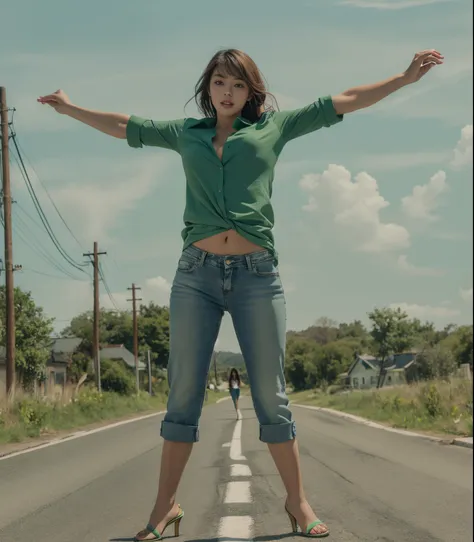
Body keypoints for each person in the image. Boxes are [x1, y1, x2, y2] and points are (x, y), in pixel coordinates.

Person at [38, 47, 443, 539]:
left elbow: (346, 100)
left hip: (257, 276)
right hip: (195, 276)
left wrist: (402, 79)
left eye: (237, 84)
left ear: (252, 91)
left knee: (272, 396)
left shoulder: (274, 127)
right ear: (207, 89)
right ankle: (163, 507)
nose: (227, 93)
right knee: (182, 395)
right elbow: (125, 124)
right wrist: (69, 106)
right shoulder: (186, 134)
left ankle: (297, 502)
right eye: (218, 83)